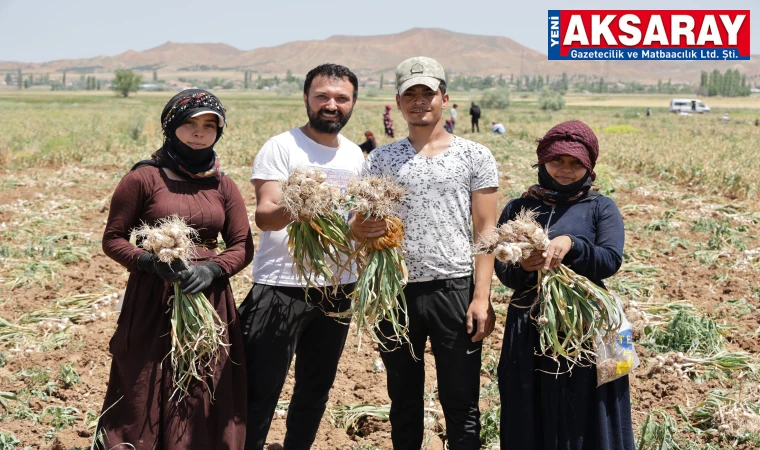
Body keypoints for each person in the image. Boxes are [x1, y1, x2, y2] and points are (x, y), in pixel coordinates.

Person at [354, 56, 499, 450]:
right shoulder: (380, 159)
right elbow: (360, 221)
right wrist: (358, 227)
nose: (420, 102)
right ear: (398, 103)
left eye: (428, 93)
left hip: (453, 289)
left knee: (461, 400)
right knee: (403, 400)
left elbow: (486, 231)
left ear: (445, 98)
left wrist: (481, 297)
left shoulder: (475, 156)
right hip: (395, 293)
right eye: (410, 95)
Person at [98, 89, 255, 448]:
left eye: (209, 125)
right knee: (145, 383)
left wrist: (213, 271)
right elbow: (114, 239)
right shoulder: (144, 178)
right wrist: (150, 263)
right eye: (190, 123)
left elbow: (243, 245)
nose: (200, 132)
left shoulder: (223, 184)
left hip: (208, 304)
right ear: (171, 125)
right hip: (153, 299)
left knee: (202, 385)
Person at [239, 64, 365, 450]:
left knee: (315, 388)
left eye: (341, 98)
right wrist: (302, 207)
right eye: (322, 96)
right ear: (307, 99)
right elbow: (264, 215)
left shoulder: (357, 155)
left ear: (353, 104)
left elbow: (356, 220)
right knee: (259, 389)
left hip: (338, 288)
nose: (331, 105)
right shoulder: (282, 147)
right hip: (281, 286)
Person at [495, 120, 633, 450]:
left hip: (590, 321)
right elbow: (504, 271)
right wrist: (524, 267)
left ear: (589, 166)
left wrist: (574, 244)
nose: (566, 170)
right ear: (542, 161)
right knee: (531, 402)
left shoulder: (602, 207)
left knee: (591, 405)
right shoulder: (519, 207)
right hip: (531, 322)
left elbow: (611, 260)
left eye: (576, 163)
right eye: (558, 161)